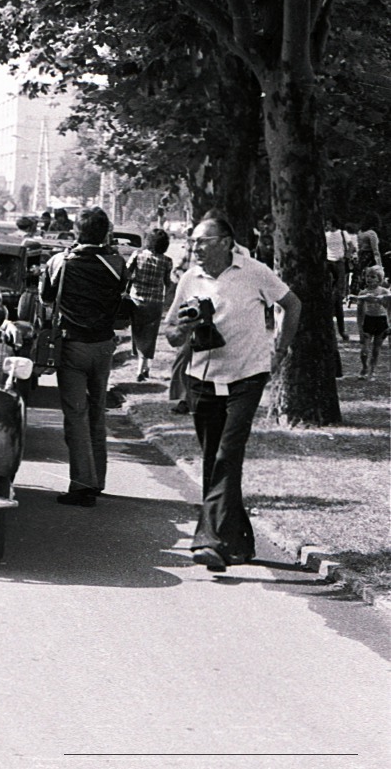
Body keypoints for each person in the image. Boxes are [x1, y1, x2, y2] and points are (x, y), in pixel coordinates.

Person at [165, 211, 301, 572]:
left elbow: (292, 304)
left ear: (225, 243)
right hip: (203, 379)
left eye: (203, 242)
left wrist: (280, 348)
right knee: (213, 460)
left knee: (228, 453)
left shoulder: (254, 271)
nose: (195, 249)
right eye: (192, 242)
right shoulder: (189, 279)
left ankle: (208, 541)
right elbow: (171, 333)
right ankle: (238, 542)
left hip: (246, 377)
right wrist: (185, 325)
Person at [39, 206, 126, 506]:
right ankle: (97, 480)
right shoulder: (117, 263)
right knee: (97, 412)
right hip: (104, 345)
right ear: (105, 232)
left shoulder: (58, 262)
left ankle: (81, 485)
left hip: (72, 344)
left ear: (76, 232)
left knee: (75, 416)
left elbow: (46, 298)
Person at [125, 228, 174, 381]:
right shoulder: (167, 261)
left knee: (138, 334)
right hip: (156, 302)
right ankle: (145, 368)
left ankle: (140, 369)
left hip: (136, 300)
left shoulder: (137, 255)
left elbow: (126, 274)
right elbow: (168, 283)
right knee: (150, 336)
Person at [355, 265, 389, 377]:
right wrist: (360, 327)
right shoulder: (363, 293)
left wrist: (381, 301)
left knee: (376, 347)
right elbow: (359, 312)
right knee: (365, 348)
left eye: (373, 276)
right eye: (367, 276)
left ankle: (372, 369)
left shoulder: (384, 292)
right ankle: (364, 366)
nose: (369, 279)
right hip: (369, 320)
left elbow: (389, 307)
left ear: (379, 279)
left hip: (381, 320)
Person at [324, 216, 349, 340]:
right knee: (332, 298)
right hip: (329, 262)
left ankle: (341, 330)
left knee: (337, 297)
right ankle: (339, 330)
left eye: (328, 223)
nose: (327, 225)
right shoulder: (324, 234)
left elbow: (350, 245)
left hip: (339, 262)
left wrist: (345, 255)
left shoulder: (342, 233)